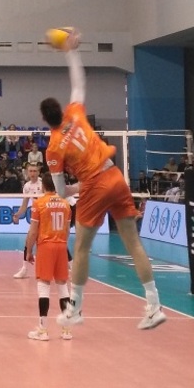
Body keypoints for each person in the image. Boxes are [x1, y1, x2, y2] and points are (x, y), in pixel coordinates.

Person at [45, 29, 164, 330]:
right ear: (61, 109)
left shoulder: (54, 148)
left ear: (45, 120)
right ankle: (154, 305)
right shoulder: (75, 114)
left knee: (82, 248)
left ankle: (75, 310)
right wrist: (71, 50)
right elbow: (79, 83)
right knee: (133, 243)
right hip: (115, 175)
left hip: (95, 186)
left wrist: (79, 186)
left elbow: (61, 191)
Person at [24, 172, 75, 341]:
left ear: (43, 186)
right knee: (63, 286)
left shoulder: (39, 203)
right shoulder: (66, 204)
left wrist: (28, 251)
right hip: (61, 246)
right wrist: (62, 244)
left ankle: (43, 330)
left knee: (44, 285)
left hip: (46, 246)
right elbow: (67, 231)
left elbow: (33, 232)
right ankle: (66, 330)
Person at [12, 162, 44, 278]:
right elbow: (25, 205)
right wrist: (17, 214)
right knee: (28, 241)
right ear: (27, 172)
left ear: (39, 172)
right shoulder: (27, 186)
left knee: (54, 242)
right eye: (30, 171)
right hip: (36, 217)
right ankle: (24, 269)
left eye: (35, 171)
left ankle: (70, 266)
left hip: (46, 216)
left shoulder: (43, 184)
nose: (32, 173)